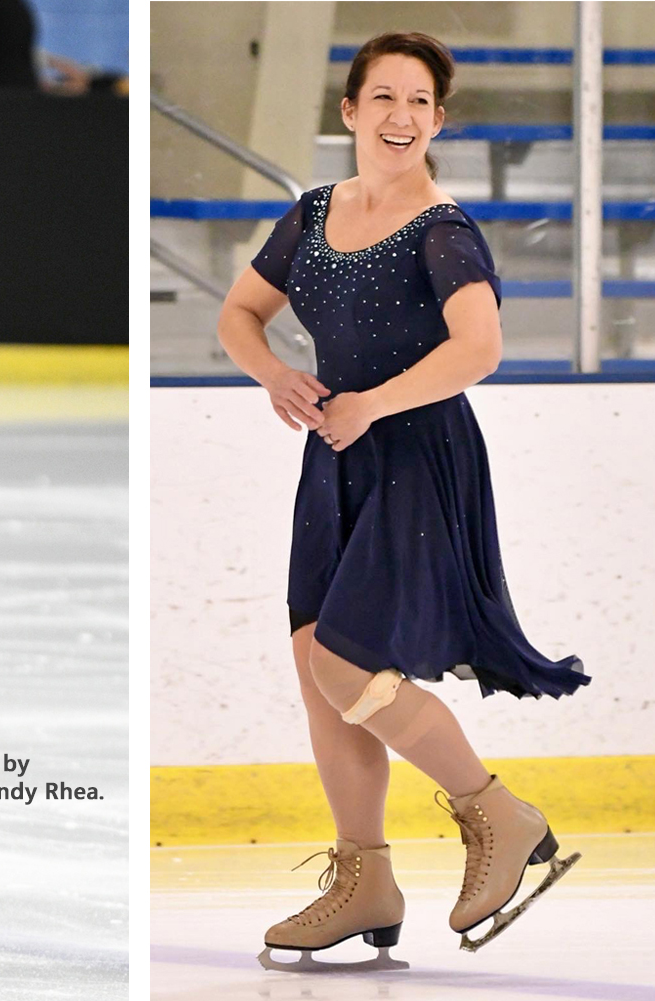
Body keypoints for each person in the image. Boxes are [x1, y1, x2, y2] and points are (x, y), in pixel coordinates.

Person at [216, 32, 590, 970]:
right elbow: (237, 314)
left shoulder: (443, 229)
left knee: (346, 666)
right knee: (317, 670)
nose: (400, 117)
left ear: (439, 120)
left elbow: (480, 348)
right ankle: (366, 879)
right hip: (336, 460)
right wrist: (276, 376)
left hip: (417, 455)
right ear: (348, 112)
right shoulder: (311, 213)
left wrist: (372, 403)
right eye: (382, 97)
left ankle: (496, 813)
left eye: (419, 102)